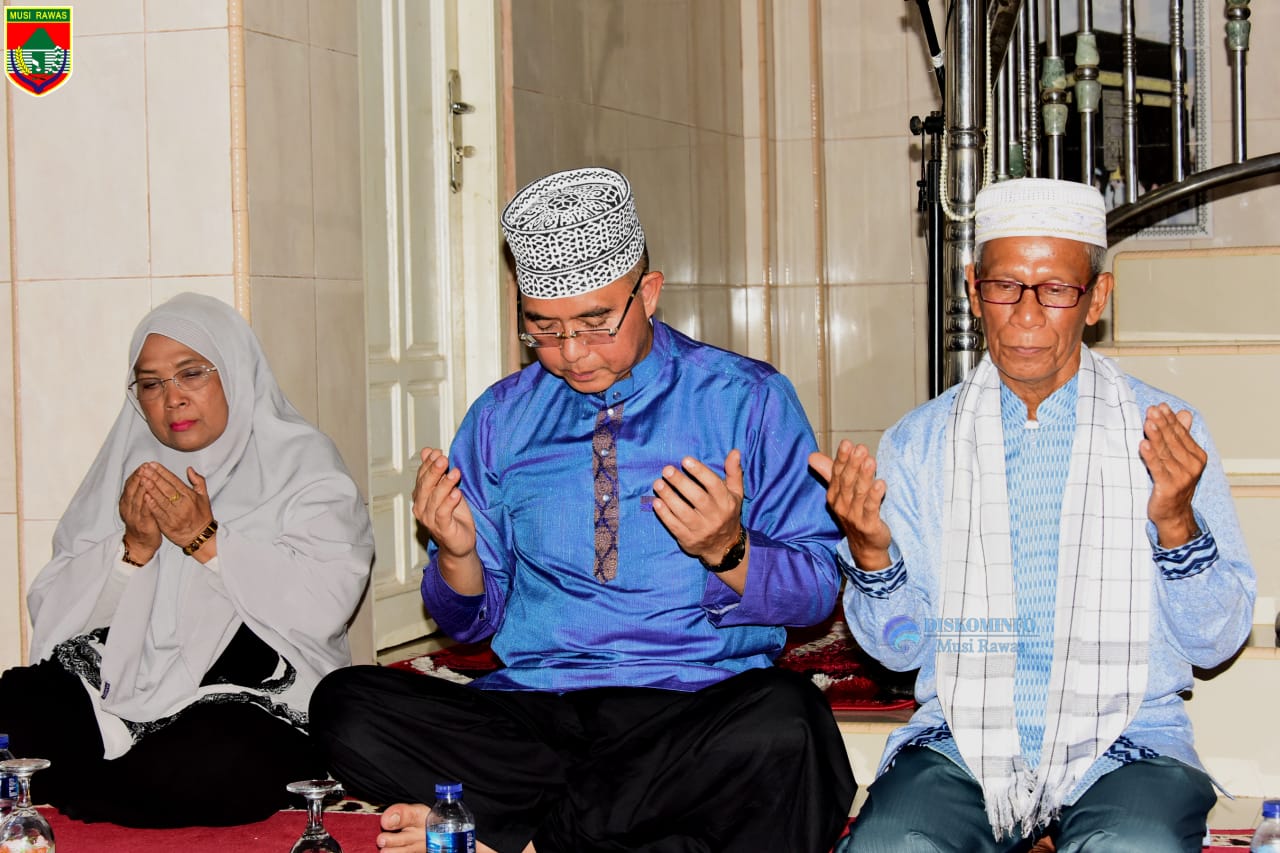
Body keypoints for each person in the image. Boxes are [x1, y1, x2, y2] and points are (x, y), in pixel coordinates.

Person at [311, 167, 855, 853]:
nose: (570, 353)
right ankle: (613, 832)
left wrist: (730, 550)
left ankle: (520, 839)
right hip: (535, 714)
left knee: (789, 723)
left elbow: (817, 592)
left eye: (596, 324)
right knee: (345, 706)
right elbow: (464, 625)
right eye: (543, 328)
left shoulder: (749, 400)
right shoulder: (500, 419)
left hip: (690, 709)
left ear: (648, 295)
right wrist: (456, 556)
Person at [811, 177, 1255, 853]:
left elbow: (1216, 642)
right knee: (891, 845)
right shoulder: (919, 444)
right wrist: (873, 552)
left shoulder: (1165, 433)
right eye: (1005, 285)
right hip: (966, 741)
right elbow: (900, 650)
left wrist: (1176, 523)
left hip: (1129, 741)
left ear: (1096, 298)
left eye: (1054, 289)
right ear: (972, 288)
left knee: (1131, 845)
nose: (1025, 313)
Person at [1, 293, 374, 827]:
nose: (171, 399)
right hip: (125, 684)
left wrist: (205, 540)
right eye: (151, 384)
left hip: (248, 693)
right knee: (16, 702)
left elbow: (326, 603)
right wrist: (134, 550)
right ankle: (112, 784)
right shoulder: (130, 465)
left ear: (236, 374)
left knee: (222, 760)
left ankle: (79, 787)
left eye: (191, 374)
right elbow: (57, 614)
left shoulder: (303, 466)